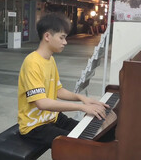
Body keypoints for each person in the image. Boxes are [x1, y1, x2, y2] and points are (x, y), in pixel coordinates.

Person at [17, 13, 109, 148]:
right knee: (80, 146)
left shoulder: (50, 59)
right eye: (62, 38)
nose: (65, 42)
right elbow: (42, 103)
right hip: (34, 126)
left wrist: (82, 98)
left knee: (91, 134)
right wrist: (82, 107)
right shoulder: (32, 62)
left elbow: (58, 90)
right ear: (47, 36)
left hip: (52, 117)